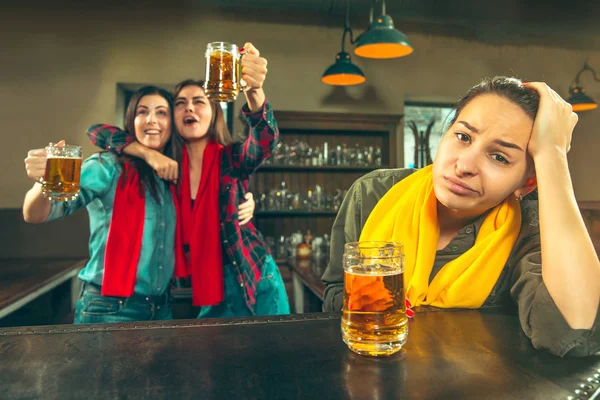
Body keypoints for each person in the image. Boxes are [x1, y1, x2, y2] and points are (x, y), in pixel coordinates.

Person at [322, 77, 600, 357]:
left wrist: (552, 153)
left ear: (526, 184)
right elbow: (335, 291)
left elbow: (572, 333)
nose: (465, 165)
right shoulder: (372, 193)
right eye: (463, 136)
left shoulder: (529, 229)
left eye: (499, 157)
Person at [87, 42, 290, 317]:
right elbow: (98, 132)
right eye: (180, 104)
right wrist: (147, 153)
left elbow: (264, 141)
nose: (189, 108)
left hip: (251, 276)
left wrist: (254, 91)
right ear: (173, 117)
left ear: (214, 112)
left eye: (199, 102)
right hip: (206, 285)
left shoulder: (230, 158)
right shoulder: (166, 168)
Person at [23, 86, 180, 324]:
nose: (151, 120)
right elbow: (35, 214)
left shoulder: (173, 174)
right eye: (142, 111)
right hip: (109, 308)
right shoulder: (106, 166)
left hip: (162, 309)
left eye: (161, 113)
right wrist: (41, 182)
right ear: (131, 120)